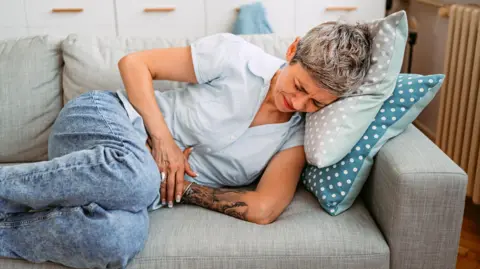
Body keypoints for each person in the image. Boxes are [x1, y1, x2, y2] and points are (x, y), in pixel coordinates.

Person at [0, 22, 373, 269]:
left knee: (117, 241)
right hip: (105, 120)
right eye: (301, 86)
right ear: (293, 51)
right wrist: (162, 142)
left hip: (135, 189)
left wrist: (182, 186)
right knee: (138, 178)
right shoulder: (236, 57)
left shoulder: (294, 137)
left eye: (317, 104)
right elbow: (134, 64)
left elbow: (263, 208)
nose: (300, 104)